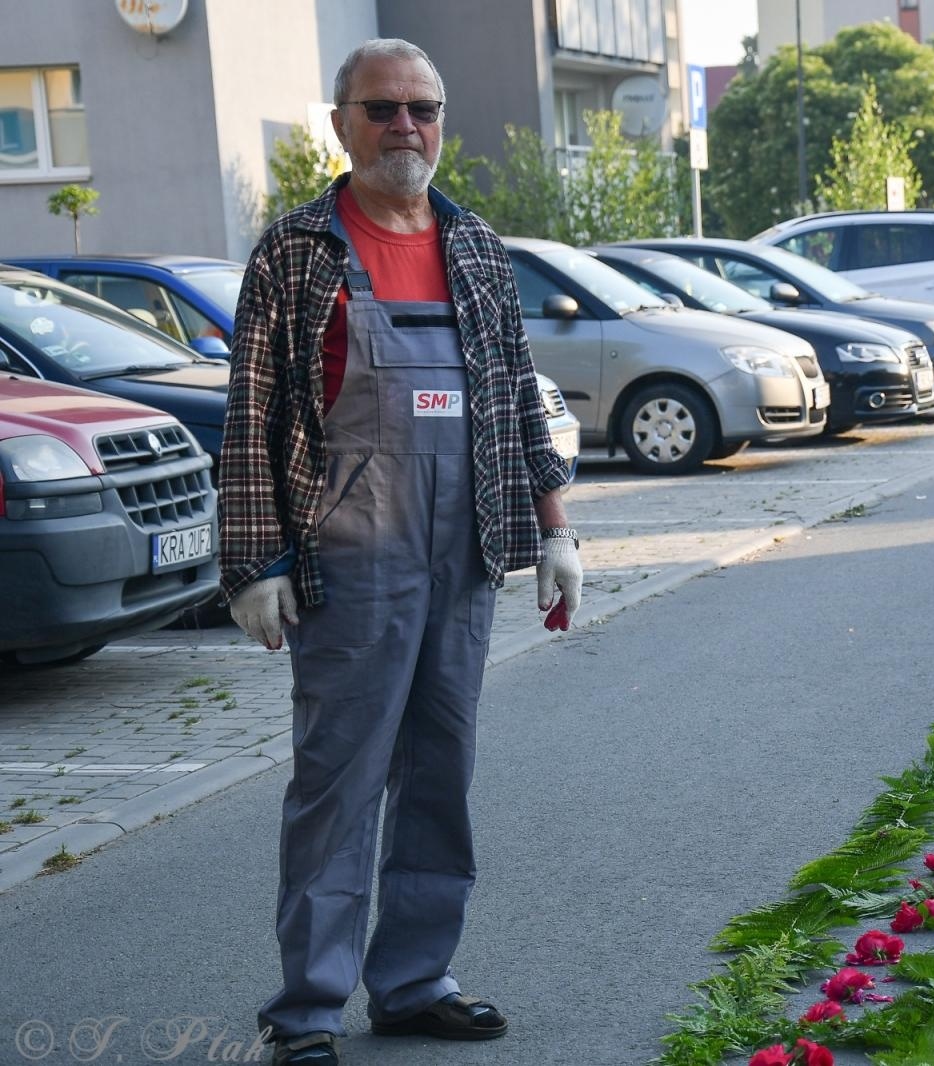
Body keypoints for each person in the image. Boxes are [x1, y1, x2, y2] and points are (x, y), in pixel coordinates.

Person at [218, 38, 581, 1066]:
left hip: (461, 556)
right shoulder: (295, 252)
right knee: (338, 787)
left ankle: (416, 980)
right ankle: (307, 1011)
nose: (404, 128)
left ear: (441, 121)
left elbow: (516, 393)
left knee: (439, 778)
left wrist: (555, 527)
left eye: (422, 108)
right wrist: (255, 562)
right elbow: (249, 414)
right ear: (340, 123)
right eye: (381, 109)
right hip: (349, 563)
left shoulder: (476, 247)